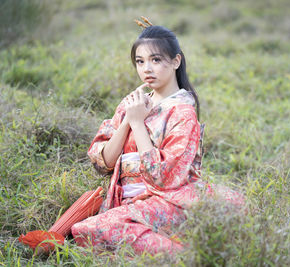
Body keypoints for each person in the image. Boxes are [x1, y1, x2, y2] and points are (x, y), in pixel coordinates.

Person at [71, 19, 244, 255]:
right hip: (129, 201)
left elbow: (164, 179)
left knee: (90, 230)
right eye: (140, 62)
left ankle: (189, 257)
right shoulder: (132, 103)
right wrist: (128, 121)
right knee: (81, 230)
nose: (147, 69)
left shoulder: (183, 113)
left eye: (156, 60)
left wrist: (137, 125)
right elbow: (103, 164)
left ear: (176, 61)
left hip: (167, 199)